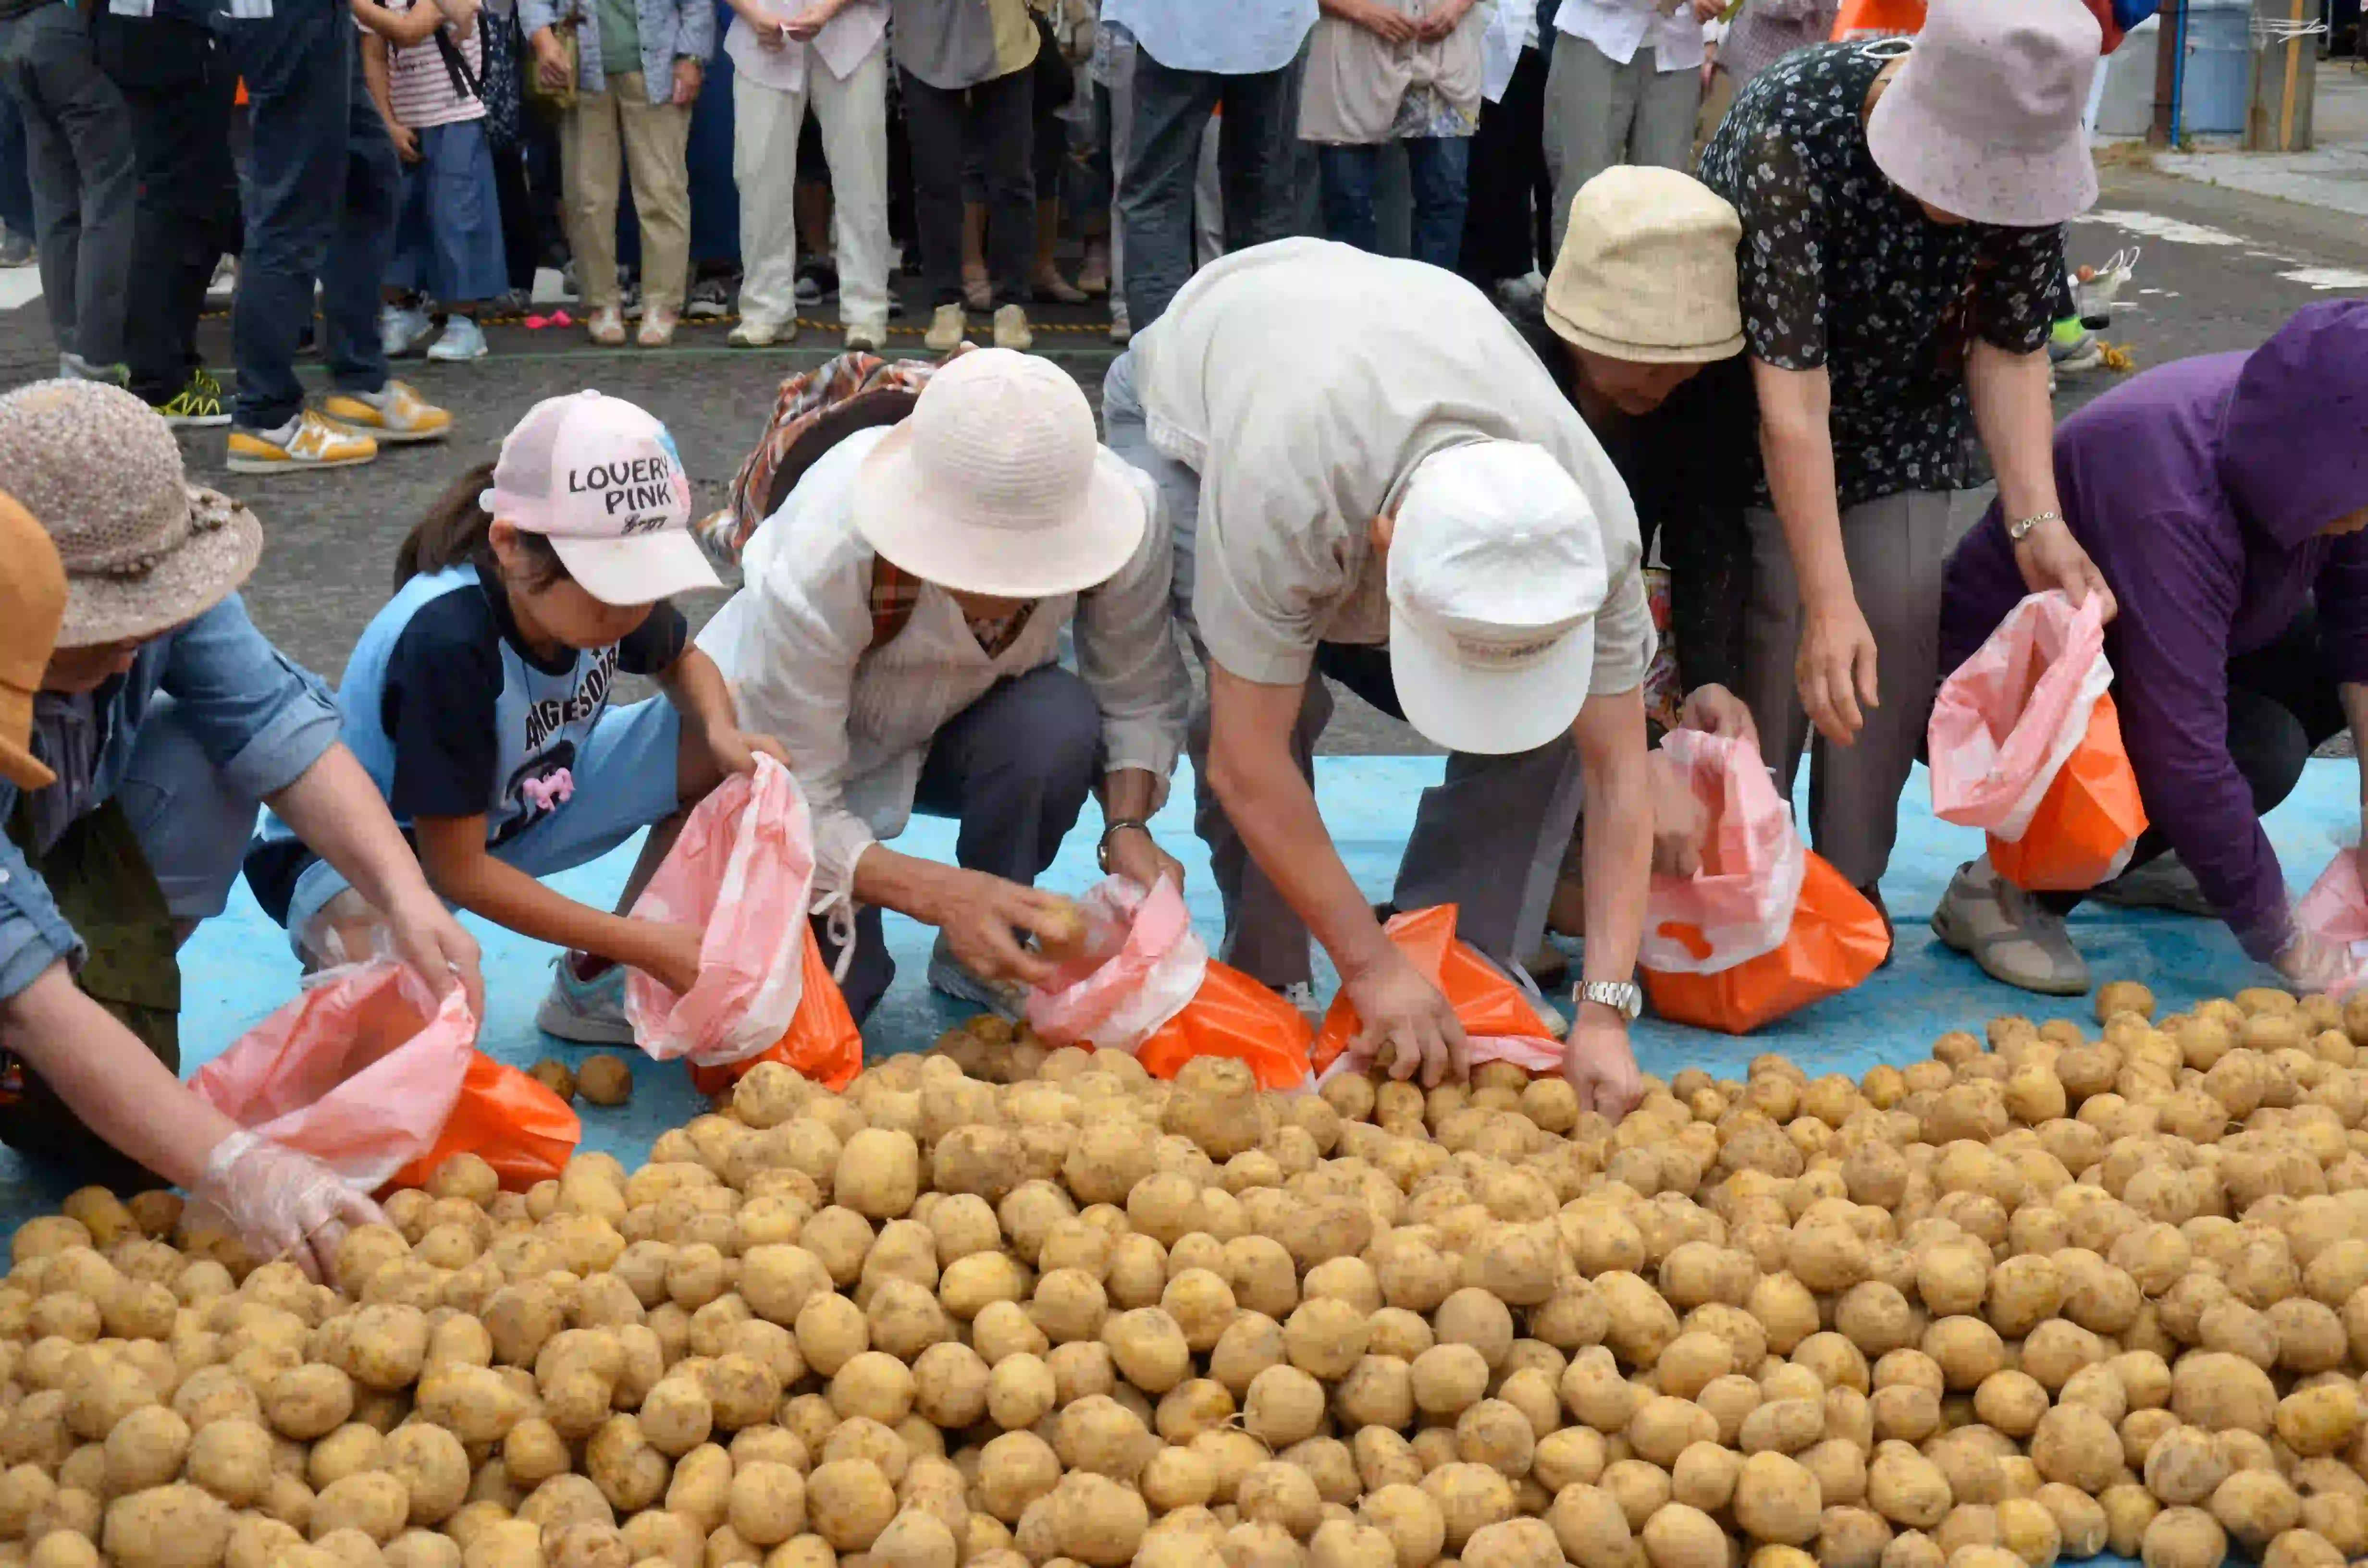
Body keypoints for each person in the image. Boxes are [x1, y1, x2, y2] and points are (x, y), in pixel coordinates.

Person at [1103, 238, 1655, 1115]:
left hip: (1378, 353)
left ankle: (1461, 972)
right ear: (1385, 551)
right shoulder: (1284, 487)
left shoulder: (1589, 521)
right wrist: (1364, 965)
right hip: (1200, 396)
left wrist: (1604, 1011)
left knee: (1555, 721)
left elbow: (1620, 768)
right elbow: (1246, 763)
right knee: (1271, 705)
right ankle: (1277, 978)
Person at [0, 380, 483, 1279]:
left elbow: (275, 726)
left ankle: (112, 1016)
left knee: (202, 748)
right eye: (95, 630)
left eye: (149, 619)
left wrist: (405, 895)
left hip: (50, 837)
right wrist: (240, 1165)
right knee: (80, 1075)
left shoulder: (148, 567)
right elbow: (24, 986)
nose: (133, 647)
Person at [1699, 0, 2112, 937]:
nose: (1969, 206)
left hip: (1909, 412)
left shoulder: (2024, 165)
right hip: (1762, 404)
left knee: (1892, 621)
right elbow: (1790, 405)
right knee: (1780, 627)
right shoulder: (1788, 135)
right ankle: (1740, 889)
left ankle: (1849, 886)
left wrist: (2036, 522)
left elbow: (2009, 349)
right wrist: (1823, 598)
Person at [241, 391, 789, 1044]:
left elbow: (684, 660)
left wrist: (722, 733)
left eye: (648, 585)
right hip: (377, 855)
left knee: (728, 752)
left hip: (521, 801)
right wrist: (646, 942)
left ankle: (596, 982)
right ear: (513, 549)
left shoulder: (604, 600)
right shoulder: (448, 642)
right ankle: (350, 964)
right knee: (401, 1028)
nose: (634, 614)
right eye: (615, 588)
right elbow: (458, 870)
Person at [701, 348, 1192, 1021]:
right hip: (784, 754)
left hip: (959, 730)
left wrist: (1127, 825)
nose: (1000, 589)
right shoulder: (831, 546)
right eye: (980, 563)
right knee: (821, 1006)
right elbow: (793, 796)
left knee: (1057, 722)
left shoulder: (1126, 515)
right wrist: (945, 893)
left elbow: (1135, 687)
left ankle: (984, 945)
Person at [1933, 303, 2368, 997]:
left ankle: (2132, 856)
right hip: (2009, 689)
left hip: (2156, 642)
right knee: (2256, 750)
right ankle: (2009, 889)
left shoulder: (2327, 451)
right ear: (2314, 462)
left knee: (2321, 667)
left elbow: (2360, 629)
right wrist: (2284, 940)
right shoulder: (2173, 505)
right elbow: (2184, 754)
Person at [1507, 166, 1759, 738]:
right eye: (1642, 354)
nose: (1662, 378)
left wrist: (1709, 676)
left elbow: (1707, 530)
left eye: (1683, 359)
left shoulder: (1705, 391)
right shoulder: (1511, 379)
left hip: (1615, 627)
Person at [217, 0, 456, 473]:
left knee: (368, 177)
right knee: (291, 208)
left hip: (317, 18)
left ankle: (360, 381)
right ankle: (267, 418)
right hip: (289, 16)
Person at [1103, 0, 1315, 335]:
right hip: (1270, 23)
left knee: (1159, 196)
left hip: (1177, 22)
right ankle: (1255, 355)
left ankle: (1162, 359)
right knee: (1261, 198)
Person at [525, 0, 714, 347]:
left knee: (662, 191)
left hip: (658, 67)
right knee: (587, 196)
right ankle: (601, 303)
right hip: (580, 70)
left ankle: (663, 304)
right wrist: (544, 41)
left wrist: (692, 57)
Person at [90, 0, 244, 424]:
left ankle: (173, 365)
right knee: (175, 208)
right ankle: (159, 382)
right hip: (170, 32)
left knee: (198, 202)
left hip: (160, 28)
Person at [724, 0, 890, 350]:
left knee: (862, 176)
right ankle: (765, 308)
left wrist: (829, 8)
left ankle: (866, 311)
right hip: (763, 33)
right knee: (758, 176)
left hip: (851, 33)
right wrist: (754, 15)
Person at [361, 0, 509, 364]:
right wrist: (388, 121)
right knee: (398, 218)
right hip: (405, 119)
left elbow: (409, 31)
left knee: (456, 218)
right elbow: (374, 55)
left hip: (455, 116)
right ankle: (401, 311)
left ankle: (465, 322)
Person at [892, 0, 1038, 354]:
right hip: (923, 35)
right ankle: (945, 302)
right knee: (935, 179)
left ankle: (1012, 303)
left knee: (1012, 178)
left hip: (1004, 34)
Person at [0, 0, 133, 382]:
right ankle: (99, 356)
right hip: (61, 30)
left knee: (55, 204)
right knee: (107, 199)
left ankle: (74, 352)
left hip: (12, 35)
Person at [1302, 0, 1486, 271]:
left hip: (1443, 58)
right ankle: (1358, 306)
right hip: (1351, 54)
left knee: (1445, 196)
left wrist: (1457, 7)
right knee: (1348, 199)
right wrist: (1360, 10)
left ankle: (1433, 307)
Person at [1543, 0, 1718, 256]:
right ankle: (1574, 296)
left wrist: (1711, 37)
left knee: (1663, 202)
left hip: (1679, 48)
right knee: (1585, 194)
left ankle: (1649, 296)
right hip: (1598, 36)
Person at [1460, 0, 1554, 299]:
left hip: (1553, 40)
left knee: (1541, 164)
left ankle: (1533, 268)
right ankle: (1494, 271)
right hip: (1493, 39)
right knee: (1492, 159)